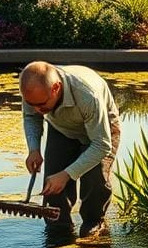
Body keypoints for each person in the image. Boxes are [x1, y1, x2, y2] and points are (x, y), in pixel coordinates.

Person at [20, 61, 121, 238]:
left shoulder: (87, 95)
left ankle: (94, 223)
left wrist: (67, 174)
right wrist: (34, 149)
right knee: (53, 180)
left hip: (99, 131)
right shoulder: (33, 90)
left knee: (94, 180)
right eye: (32, 104)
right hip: (62, 128)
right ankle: (58, 227)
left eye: (42, 105)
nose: (38, 110)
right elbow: (30, 116)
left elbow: (101, 145)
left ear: (56, 88)